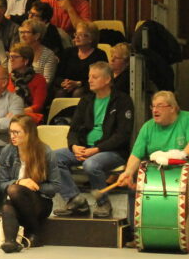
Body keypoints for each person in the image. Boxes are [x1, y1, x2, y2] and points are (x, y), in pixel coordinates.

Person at [116, 91, 189, 253]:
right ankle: (138, 235)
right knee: (134, 190)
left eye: (160, 106)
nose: (155, 110)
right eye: (153, 106)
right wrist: (128, 172)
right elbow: (136, 154)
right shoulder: (148, 127)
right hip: (156, 176)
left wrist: (180, 156)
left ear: (172, 108)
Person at [53, 62, 135, 219]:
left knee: (91, 164)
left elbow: (122, 135)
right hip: (85, 148)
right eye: (89, 76)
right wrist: (74, 146)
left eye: (95, 77)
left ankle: (103, 203)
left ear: (107, 79)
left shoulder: (122, 100)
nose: (90, 80)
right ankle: (74, 199)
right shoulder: (86, 100)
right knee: (52, 157)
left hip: (112, 151)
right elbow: (73, 129)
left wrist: (97, 149)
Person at [0, 114, 60, 252]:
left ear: (29, 133)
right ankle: (10, 242)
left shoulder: (45, 152)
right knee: (8, 204)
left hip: (40, 202)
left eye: (16, 132)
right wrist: (20, 182)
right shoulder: (7, 152)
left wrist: (35, 186)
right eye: (11, 132)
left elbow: (55, 187)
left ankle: (34, 231)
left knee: (14, 190)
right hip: (15, 201)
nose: (12, 136)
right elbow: (1, 184)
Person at [54, 21, 107, 98]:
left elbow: (101, 79)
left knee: (78, 93)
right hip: (67, 87)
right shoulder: (68, 52)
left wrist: (78, 83)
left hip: (88, 87)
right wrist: (64, 83)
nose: (77, 37)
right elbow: (57, 76)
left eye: (81, 35)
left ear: (91, 39)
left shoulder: (99, 55)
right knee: (61, 93)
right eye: (76, 34)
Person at [7, 43, 48, 123]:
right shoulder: (7, 78)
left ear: (26, 60)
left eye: (15, 57)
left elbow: (38, 106)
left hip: (28, 118)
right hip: (8, 115)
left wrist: (17, 112)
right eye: (10, 56)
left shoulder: (39, 79)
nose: (11, 60)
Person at [18, 19, 59, 85]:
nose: (22, 36)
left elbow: (47, 82)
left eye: (27, 32)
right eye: (21, 32)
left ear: (37, 36)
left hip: (37, 89)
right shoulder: (17, 51)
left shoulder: (48, 55)